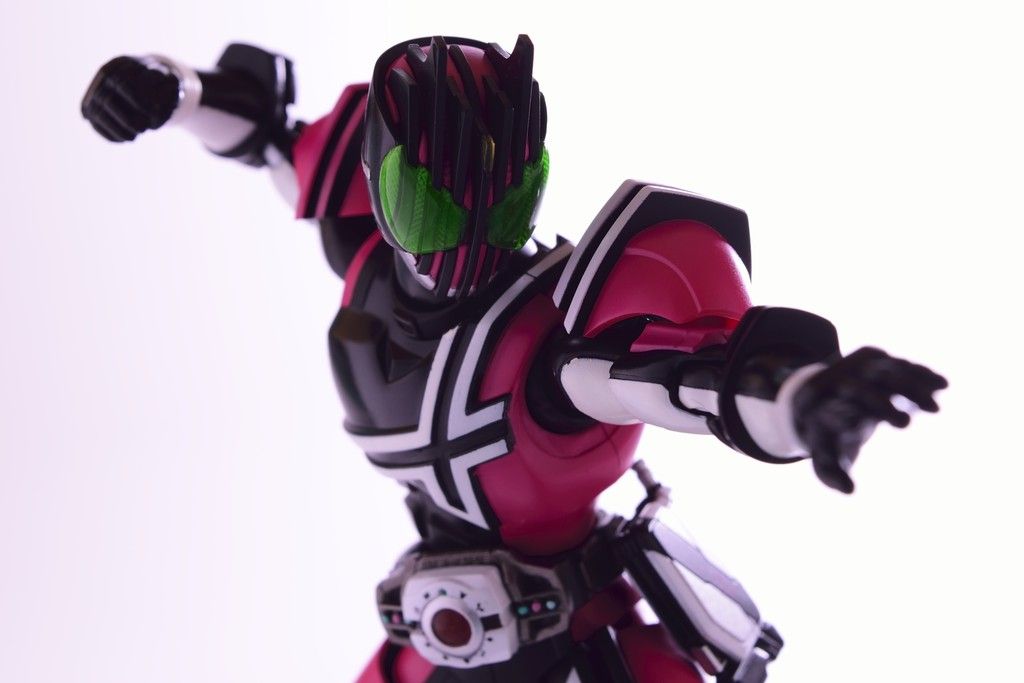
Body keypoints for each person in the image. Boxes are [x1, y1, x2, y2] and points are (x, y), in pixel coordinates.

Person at [81, 35, 946, 683]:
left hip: (580, 641)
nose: (461, 242)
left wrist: (802, 395)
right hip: (435, 630)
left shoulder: (554, 343)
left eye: (496, 207)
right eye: (431, 204)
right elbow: (269, 134)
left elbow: (685, 377)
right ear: (381, 184)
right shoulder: (362, 255)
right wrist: (172, 89)